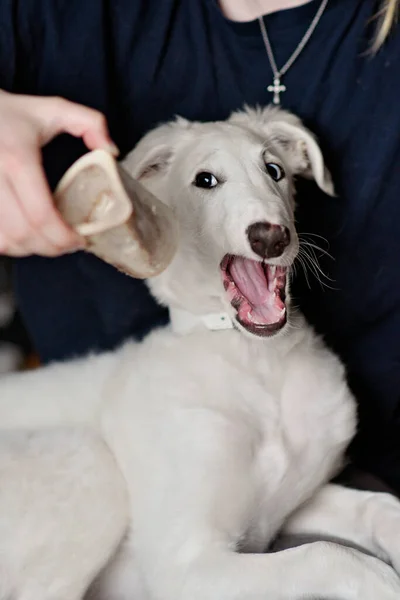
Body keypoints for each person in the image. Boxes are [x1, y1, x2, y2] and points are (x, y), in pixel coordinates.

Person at [0, 0, 399, 494]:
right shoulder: (48, 15)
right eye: (208, 178)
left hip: (360, 468)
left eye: (273, 170)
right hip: (93, 454)